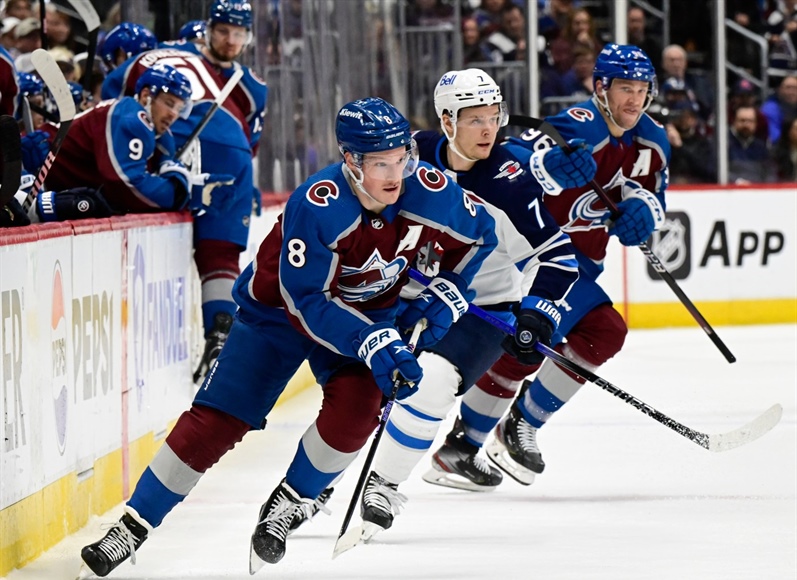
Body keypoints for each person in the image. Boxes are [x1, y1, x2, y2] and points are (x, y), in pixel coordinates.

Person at [78, 97, 499, 577]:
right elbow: (308, 302)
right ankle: (133, 526)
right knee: (216, 421)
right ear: (352, 162)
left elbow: (483, 234)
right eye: (380, 163)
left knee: (358, 412)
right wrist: (375, 341)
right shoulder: (318, 204)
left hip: (366, 316)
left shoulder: (429, 189)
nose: (394, 175)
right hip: (278, 316)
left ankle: (293, 500)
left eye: (400, 159)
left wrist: (450, 292)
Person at [357, 68, 593, 537]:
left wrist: (538, 313)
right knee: (360, 389)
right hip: (406, 296)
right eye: (474, 119)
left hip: (481, 308)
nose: (488, 129)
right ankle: (324, 481)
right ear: (447, 121)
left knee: (433, 383)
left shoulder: (510, 182)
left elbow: (560, 260)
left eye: (494, 117)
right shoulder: (409, 156)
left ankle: (383, 485)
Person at [428, 43, 670, 489]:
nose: (633, 100)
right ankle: (489, 435)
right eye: (624, 89)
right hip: (537, 257)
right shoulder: (581, 125)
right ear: (601, 89)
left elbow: (653, 193)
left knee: (583, 334)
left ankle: (468, 444)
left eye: (641, 90)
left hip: (581, 266)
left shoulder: (653, 140)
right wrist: (548, 166)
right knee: (563, 334)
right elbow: (507, 158)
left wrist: (645, 213)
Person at [102, 0, 268, 384]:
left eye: (239, 33)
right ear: (209, 28)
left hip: (213, 163)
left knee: (221, 253)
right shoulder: (171, 57)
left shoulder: (253, 86)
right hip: (189, 156)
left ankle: (220, 337)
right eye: (224, 30)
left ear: (249, 36)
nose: (230, 40)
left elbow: (113, 94)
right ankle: (222, 339)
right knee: (218, 252)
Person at [18, 63, 235, 221]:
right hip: (25, 171)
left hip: (50, 187)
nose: (173, 114)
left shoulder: (162, 135)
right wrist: (182, 192)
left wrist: (189, 183)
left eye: (179, 108)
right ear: (146, 96)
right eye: (169, 103)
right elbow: (126, 184)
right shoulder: (131, 117)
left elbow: (159, 176)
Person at [728, 104, 775, 184]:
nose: (746, 124)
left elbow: (770, 172)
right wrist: (737, 181)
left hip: (758, 192)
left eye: (750, 121)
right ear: (734, 122)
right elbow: (717, 170)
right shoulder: (724, 144)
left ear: (755, 124)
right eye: (742, 120)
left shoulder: (761, 147)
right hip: (731, 191)